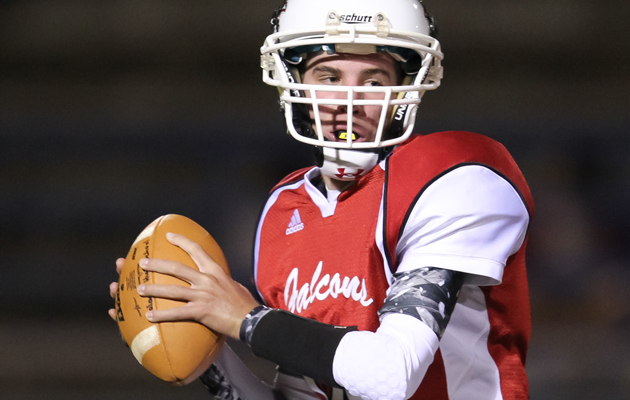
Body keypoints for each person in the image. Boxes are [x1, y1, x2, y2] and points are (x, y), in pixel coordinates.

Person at [109, 1, 534, 399]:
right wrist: (201, 340)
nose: (349, 100)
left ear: (407, 89)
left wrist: (244, 318)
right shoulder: (284, 208)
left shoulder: (455, 174)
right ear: (294, 82)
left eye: (373, 80)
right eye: (329, 77)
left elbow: (392, 374)